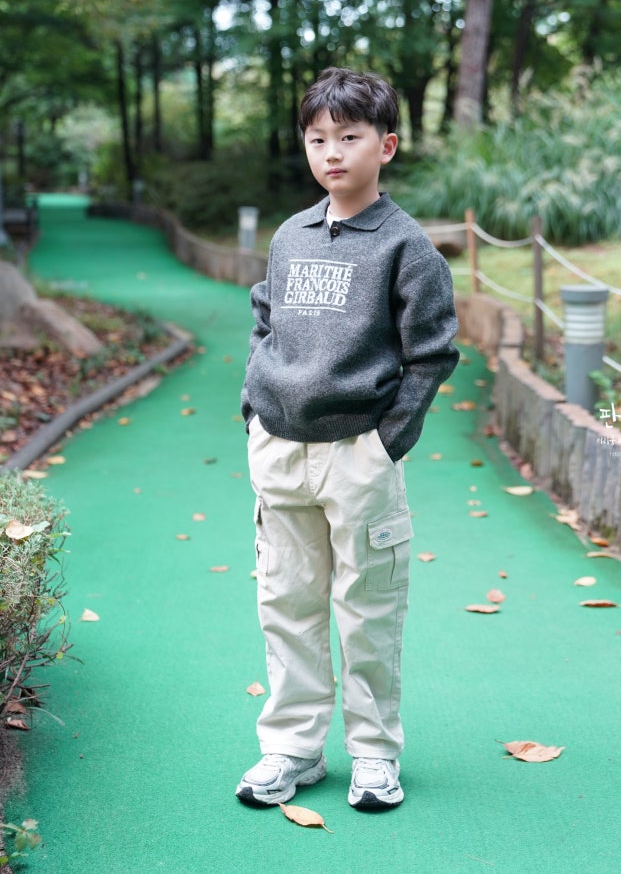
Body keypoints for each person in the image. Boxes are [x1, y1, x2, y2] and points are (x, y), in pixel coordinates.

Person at [236, 66, 459, 812]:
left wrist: (385, 443)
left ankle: (373, 754)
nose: (331, 152)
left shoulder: (406, 247)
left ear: (385, 145)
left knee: (368, 611)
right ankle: (292, 749)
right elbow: (264, 325)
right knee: (286, 603)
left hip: (359, 455)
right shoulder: (290, 236)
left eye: (349, 137)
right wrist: (253, 410)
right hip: (279, 450)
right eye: (317, 139)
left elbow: (432, 353)